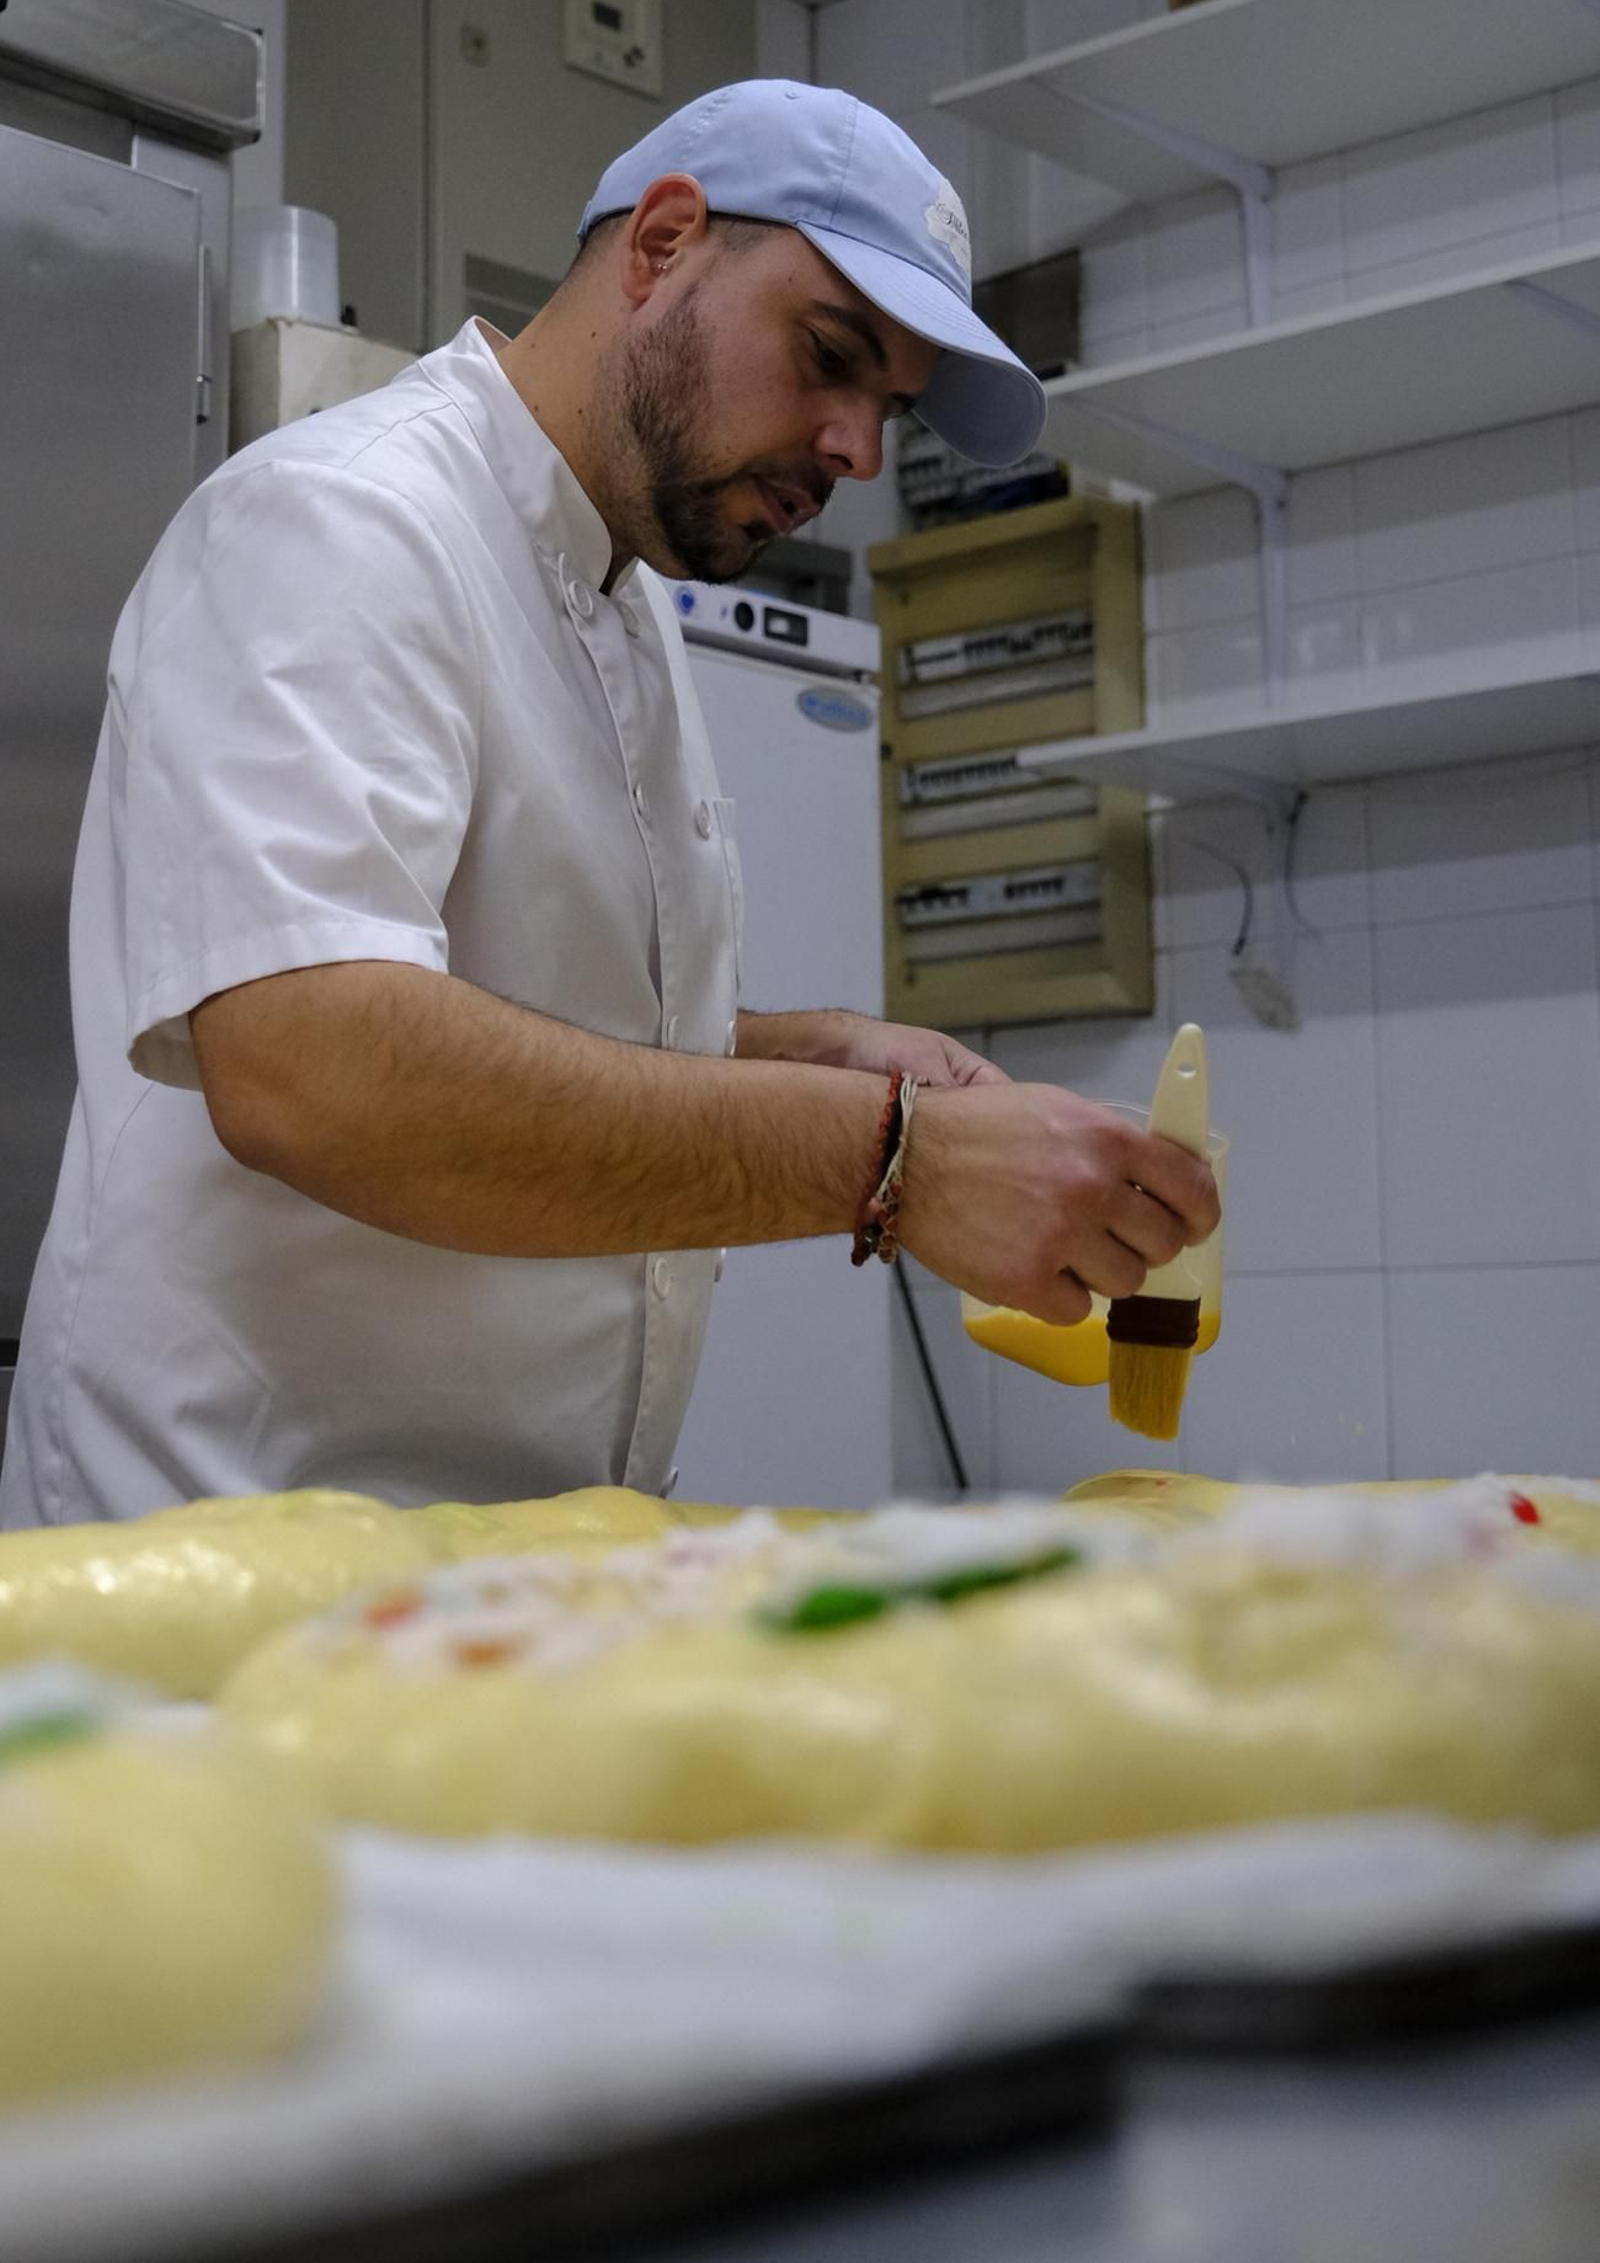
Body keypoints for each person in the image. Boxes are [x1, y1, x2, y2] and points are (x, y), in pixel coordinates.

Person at [0, 80, 1217, 1527]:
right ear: (662, 243)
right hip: (229, 1570)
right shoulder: (344, 520)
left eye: (885, 409)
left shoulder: (622, 608)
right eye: (829, 357)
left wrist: (821, 1056)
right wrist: (893, 1159)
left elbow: (499, 998)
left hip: (509, 1575)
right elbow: (308, 1056)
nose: (859, 453)